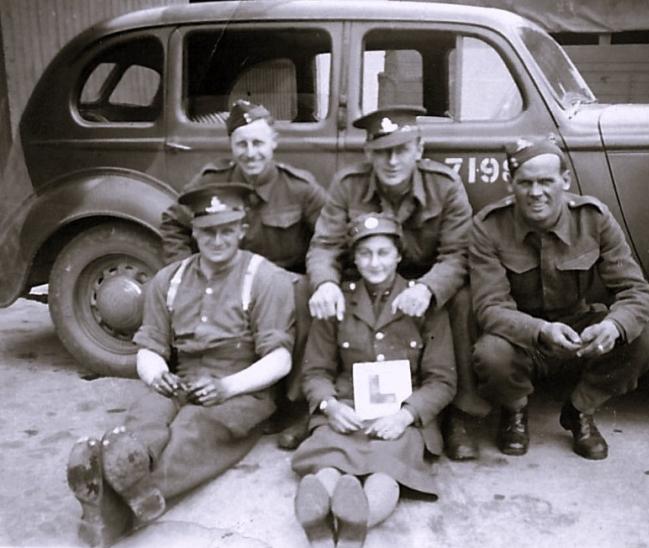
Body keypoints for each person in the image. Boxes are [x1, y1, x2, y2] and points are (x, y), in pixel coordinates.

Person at [66, 181, 295, 546]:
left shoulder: (264, 278)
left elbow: (280, 358)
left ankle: (111, 506)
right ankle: (128, 461)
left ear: (241, 229)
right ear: (194, 232)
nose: (216, 241)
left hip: (240, 387)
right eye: (207, 232)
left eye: (225, 231)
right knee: (147, 414)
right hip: (182, 375)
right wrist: (157, 374)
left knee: (195, 428)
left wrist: (227, 386)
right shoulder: (168, 280)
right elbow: (150, 346)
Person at [306, 106, 485, 460]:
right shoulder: (348, 186)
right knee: (309, 291)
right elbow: (325, 245)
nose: (391, 161)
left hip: (428, 279)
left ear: (419, 150)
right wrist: (325, 283)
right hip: (367, 274)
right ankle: (315, 407)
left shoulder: (444, 186)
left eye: (401, 150)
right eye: (382, 151)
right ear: (368, 152)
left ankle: (457, 415)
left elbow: (458, 253)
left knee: (462, 299)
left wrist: (428, 288)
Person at [470, 137, 649, 459]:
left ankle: (580, 410)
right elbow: (490, 307)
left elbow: (636, 290)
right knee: (490, 353)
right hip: (522, 333)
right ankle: (515, 410)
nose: (536, 193)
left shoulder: (594, 218)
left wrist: (613, 327)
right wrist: (540, 331)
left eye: (546, 181)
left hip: (579, 326)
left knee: (643, 338)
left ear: (565, 181)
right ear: (510, 185)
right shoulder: (488, 227)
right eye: (525, 183)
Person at [161, 99, 328, 450]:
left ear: (274, 143)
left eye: (258, 143)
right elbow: (174, 223)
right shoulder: (212, 182)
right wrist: (181, 274)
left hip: (282, 282)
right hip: (227, 280)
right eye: (242, 144)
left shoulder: (299, 187)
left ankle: (294, 407)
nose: (251, 153)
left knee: (303, 296)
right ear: (231, 146)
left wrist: (319, 280)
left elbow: (329, 235)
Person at [292, 213, 456, 547]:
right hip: (347, 406)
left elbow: (442, 380)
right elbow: (315, 371)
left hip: (400, 414)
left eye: (383, 253)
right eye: (365, 254)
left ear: (399, 255)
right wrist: (330, 405)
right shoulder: (337, 299)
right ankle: (317, 520)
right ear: (354, 258)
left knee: (386, 466)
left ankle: (357, 522)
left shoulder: (422, 302)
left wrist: (405, 415)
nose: (374, 262)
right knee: (329, 459)